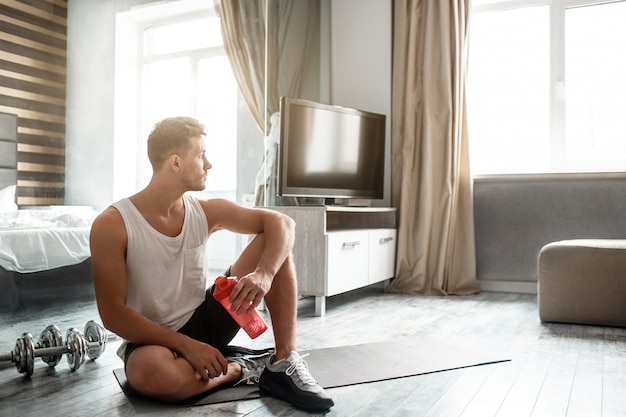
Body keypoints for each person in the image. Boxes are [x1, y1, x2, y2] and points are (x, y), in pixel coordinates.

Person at [90, 116, 334, 411]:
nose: (209, 164)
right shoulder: (112, 224)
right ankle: (245, 367)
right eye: (201, 154)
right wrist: (185, 345)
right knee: (151, 376)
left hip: (205, 317)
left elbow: (282, 223)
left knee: (274, 243)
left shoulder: (206, 211)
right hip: (151, 339)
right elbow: (113, 315)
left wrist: (264, 275)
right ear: (176, 162)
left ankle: (283, 360)